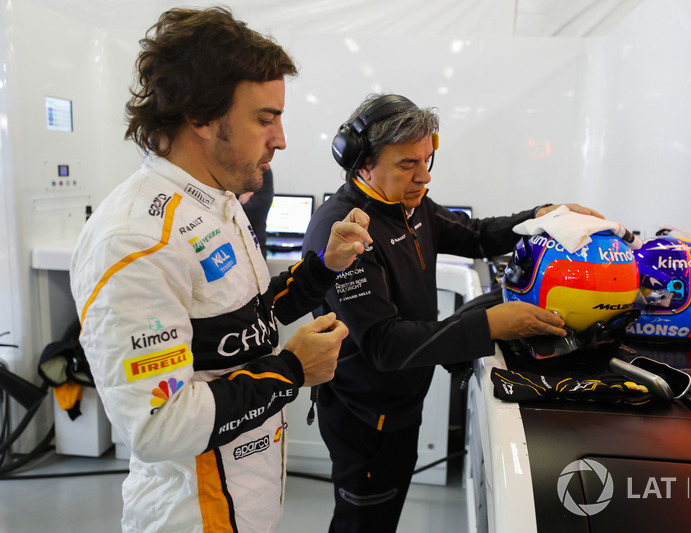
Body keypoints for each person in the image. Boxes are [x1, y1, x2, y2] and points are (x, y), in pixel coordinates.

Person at [69, 7, 370, 533]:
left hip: (250, 499)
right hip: (194, 516)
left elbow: (248, 319)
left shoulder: (217, 203)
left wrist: (324, 269)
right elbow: (159, 423)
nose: (280, 139)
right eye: (264, 118)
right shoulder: (135, 240)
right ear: (201, 116)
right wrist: (293, 371)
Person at [302, 93, 601, 532]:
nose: (423, 176)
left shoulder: (412, 204)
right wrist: (489, 325)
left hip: (402, 402)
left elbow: (477, 235)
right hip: (365, 416)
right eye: (408, 164)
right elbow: (383, 345)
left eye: (428, 160)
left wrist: (542, 216)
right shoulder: (343, 231)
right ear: (362, 163)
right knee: (363, 522)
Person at [238, 168, 275, 258]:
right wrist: (238, 205)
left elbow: (254, 214)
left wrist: (233, 205)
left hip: (256, 248)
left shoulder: (262, 170)